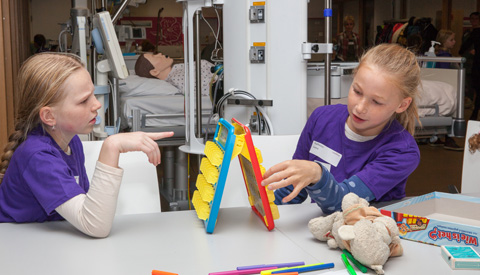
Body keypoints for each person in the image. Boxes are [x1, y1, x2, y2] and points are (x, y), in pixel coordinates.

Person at [0, 53, 174, 237]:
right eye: (84, 101)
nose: (97, 104)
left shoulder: (72, 141)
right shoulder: (38, 156)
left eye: (93, 95)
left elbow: (87, 209)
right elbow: (95, 225)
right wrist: (112, 145)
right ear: (49, 116)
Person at [261, 44, 420, 214]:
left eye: (376, 102)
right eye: (357, 91)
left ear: (402, 105)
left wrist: (317, 173)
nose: (360, 107)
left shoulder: (403, 152)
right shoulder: (321, 118)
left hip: (365, 233)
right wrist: (265, 210)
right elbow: (293, 188)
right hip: (317, 231)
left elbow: (343, 205)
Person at [134, 52, 214, 96]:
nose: (160, 54)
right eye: (155, 56)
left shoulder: (176, 70)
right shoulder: (176, 78)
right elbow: (203, 88)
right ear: (155, 72)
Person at [460, 12, 480, 121]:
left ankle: (475, 111)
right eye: (472, 19)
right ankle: (475, 110)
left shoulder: (475, 33)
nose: (474, 21)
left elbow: (463, 48)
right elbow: (463, 48)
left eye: (476, 19)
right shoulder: (469, 33)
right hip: (470, 64)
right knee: (473, 87)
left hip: (475, 64)